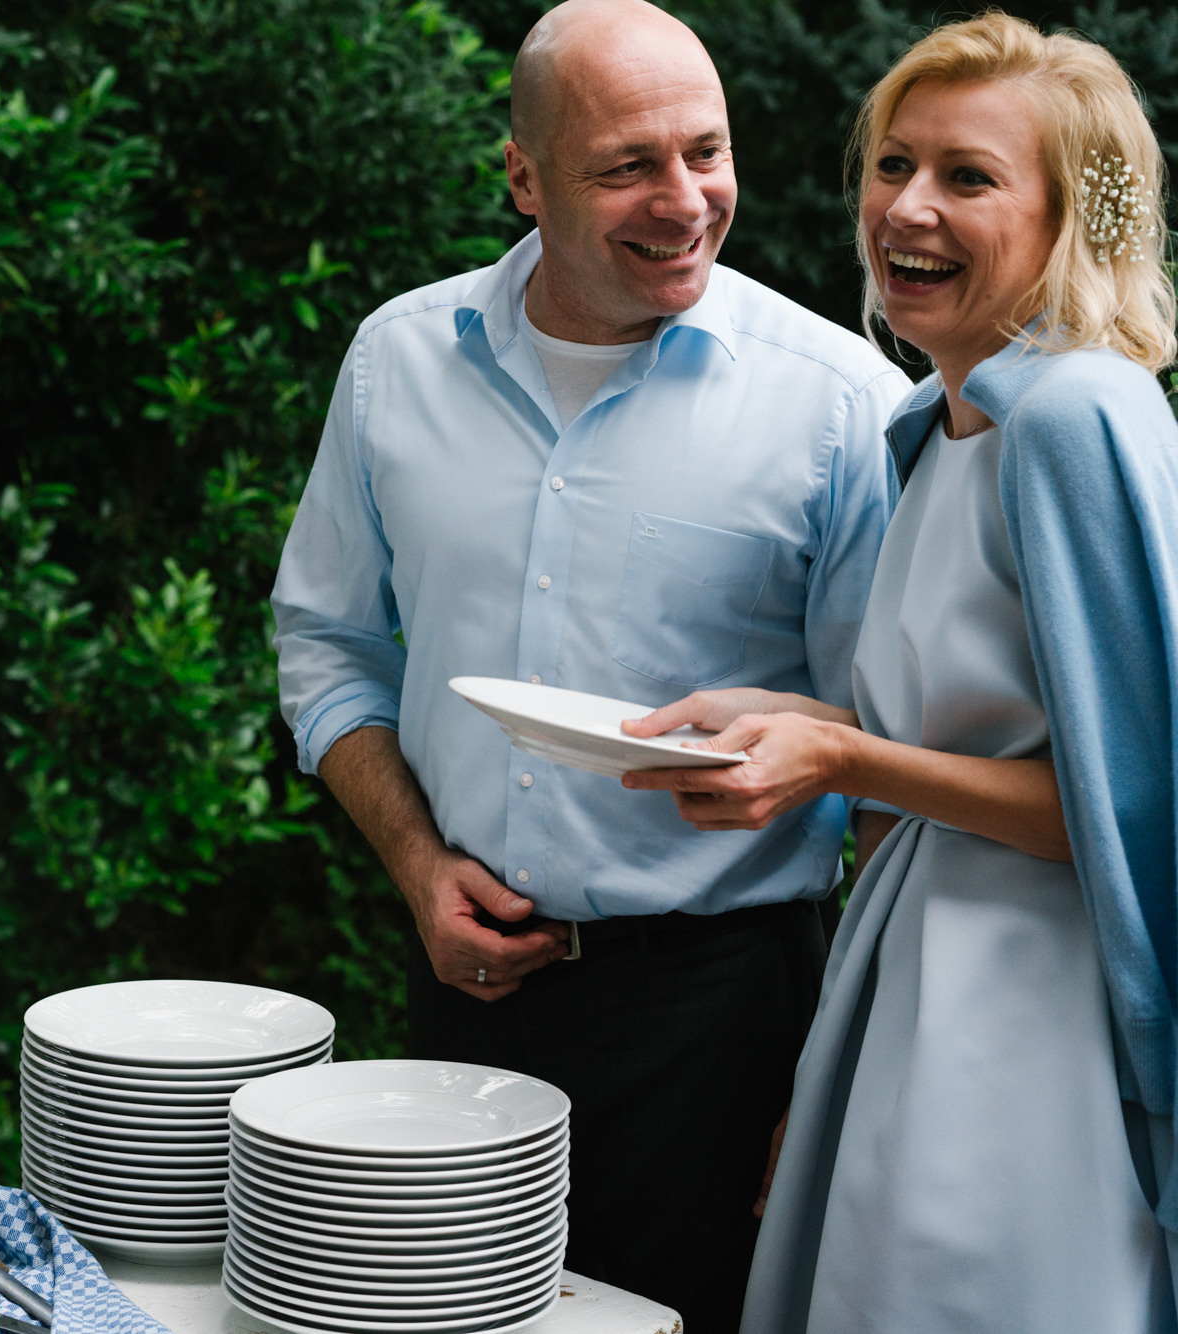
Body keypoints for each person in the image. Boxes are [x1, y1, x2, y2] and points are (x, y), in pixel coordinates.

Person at [268, 0, 908, 1325]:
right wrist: (413, 862)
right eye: (628, 165)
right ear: (524, 176)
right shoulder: (396, 362)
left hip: (730, 1019)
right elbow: (326, 648)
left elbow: (896, 769)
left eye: (706, 151)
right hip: (465, 982)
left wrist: (836, 1072)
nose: (683, 200)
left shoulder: (843, 403)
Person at [622, 14, 1178, 1332]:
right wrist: (800, 719)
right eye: (892, 163)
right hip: (913, 970)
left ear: (1069, 220)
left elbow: (1133, 806)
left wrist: (849, 759)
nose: (907, 208)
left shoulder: (1077, 419)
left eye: (970, 178)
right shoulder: (934, 421)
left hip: (1032, 1025)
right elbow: (986, 730)